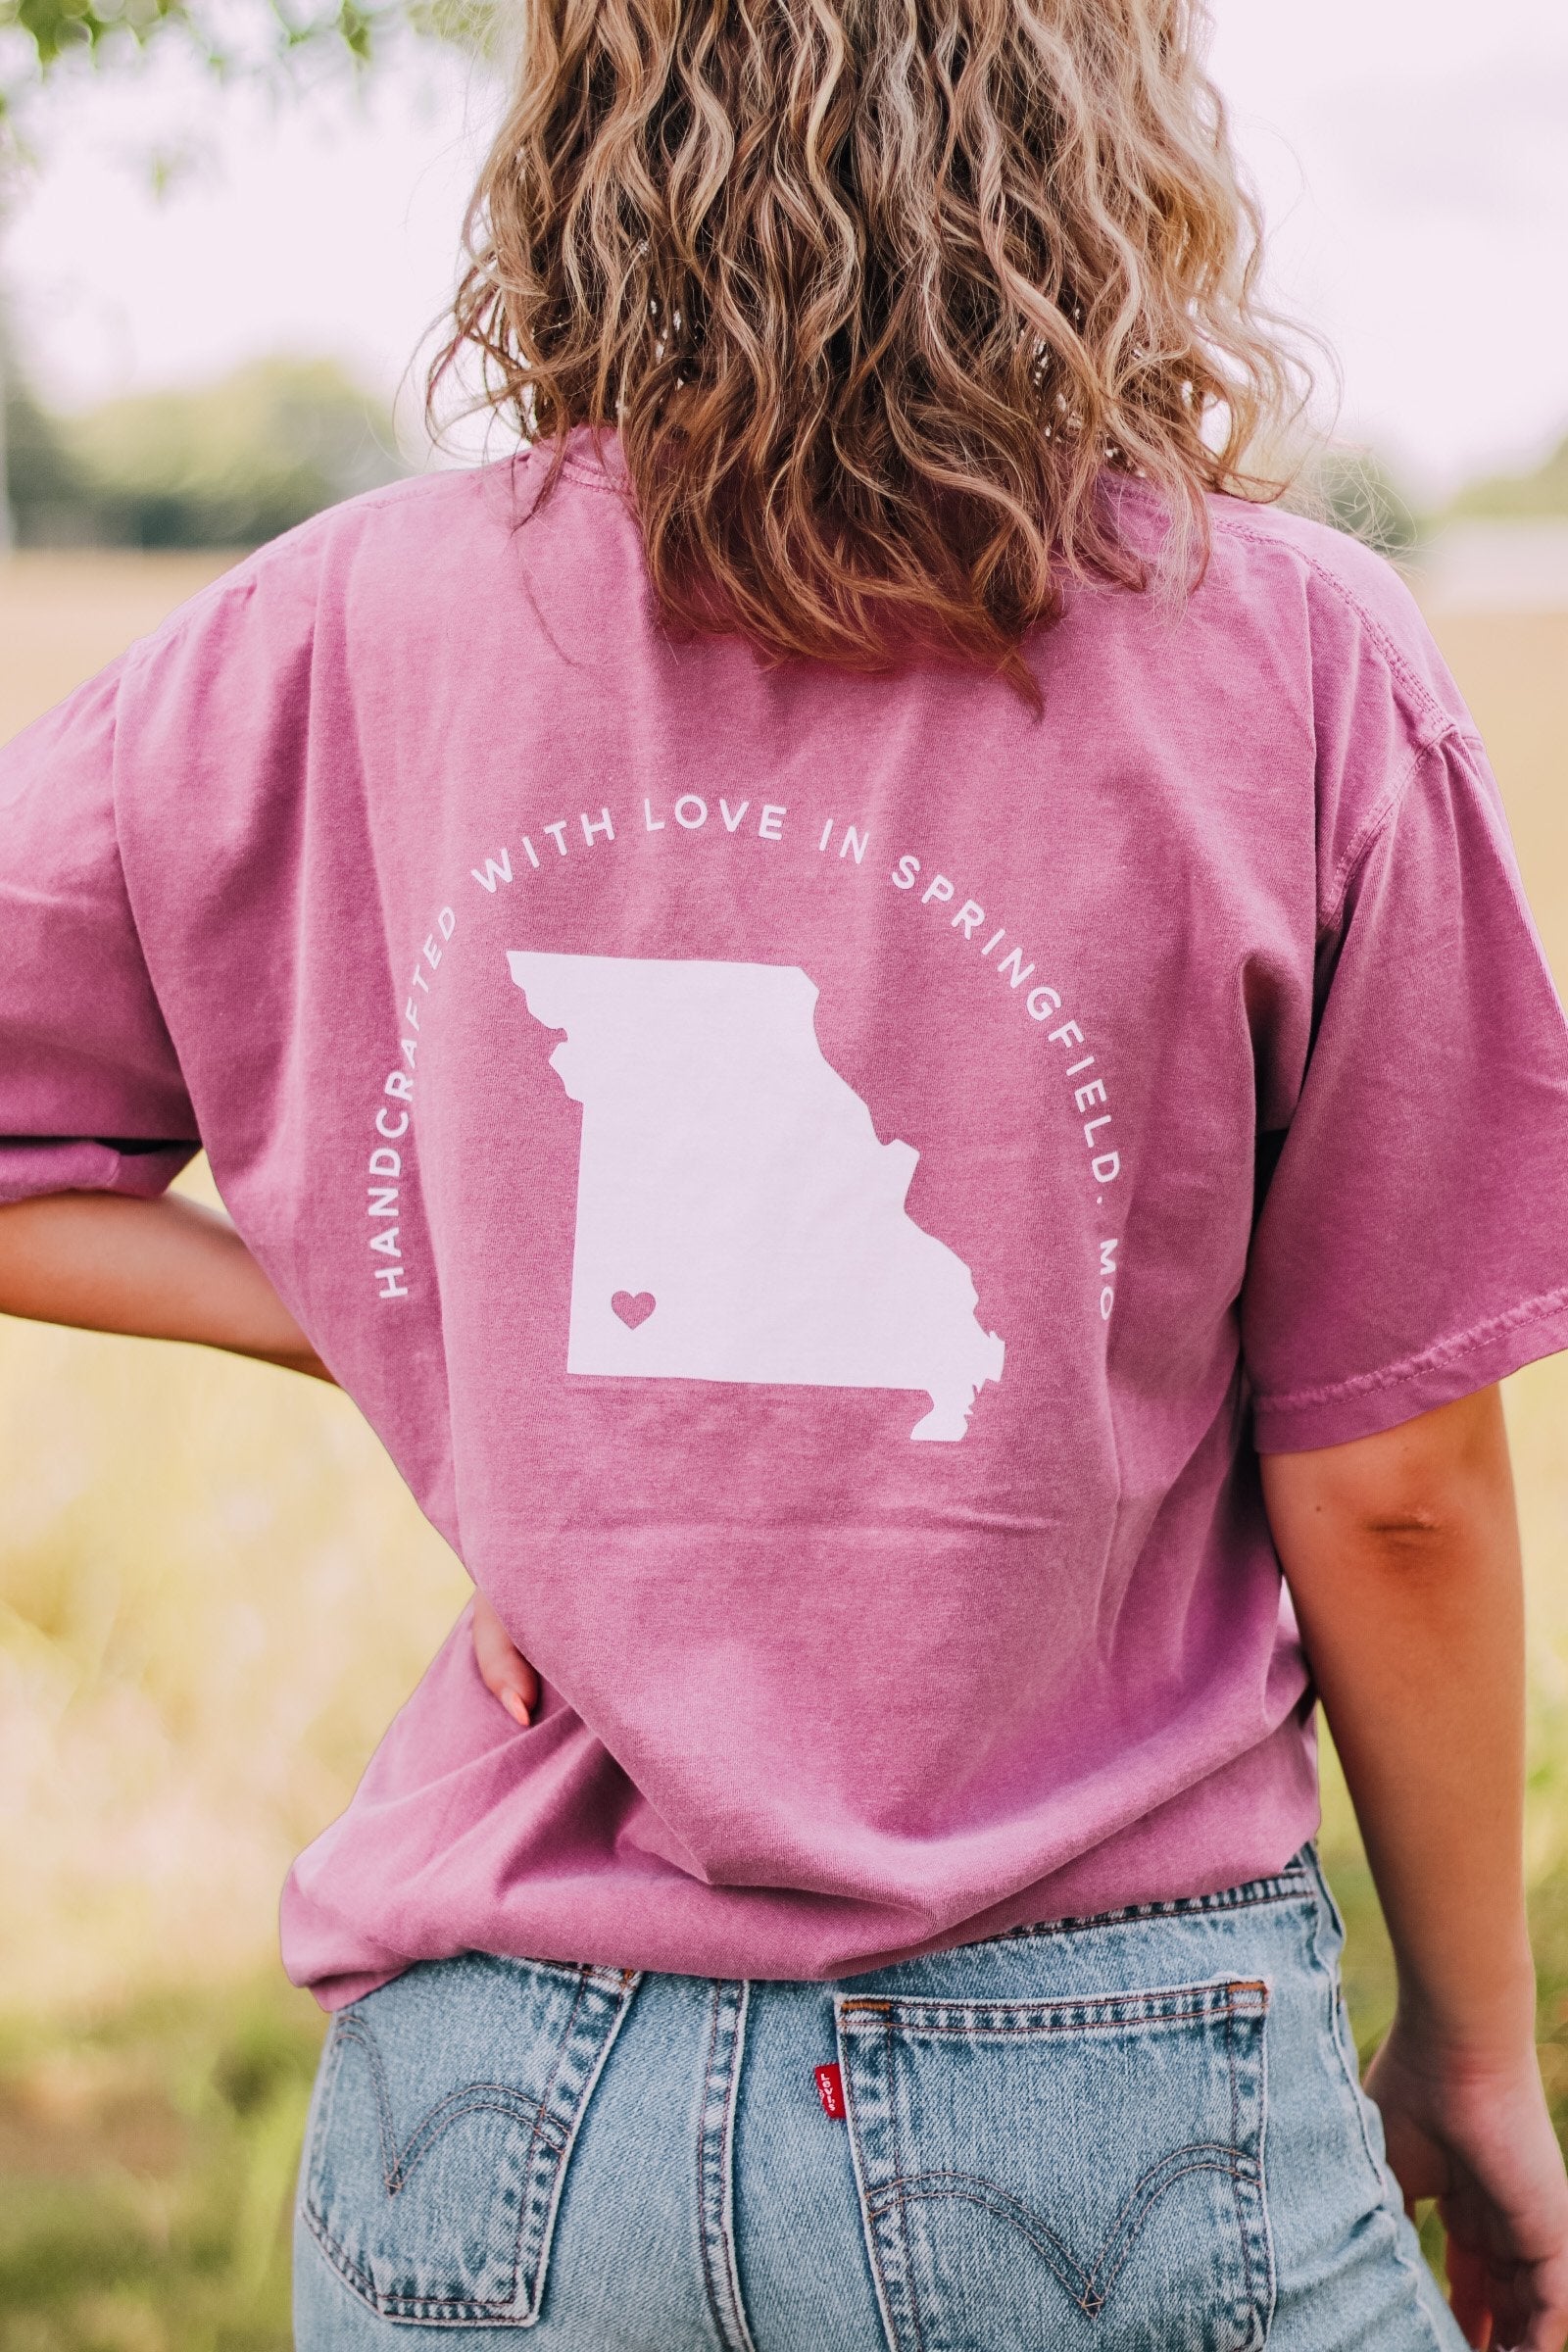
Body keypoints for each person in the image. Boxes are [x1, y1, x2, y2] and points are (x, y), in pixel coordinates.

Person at [4, 0, 1568, 2342]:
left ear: (585, 128)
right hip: (1114, 2091)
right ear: (1100, 121)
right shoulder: (1291, 665)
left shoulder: (328, 634)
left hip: (484, 2115)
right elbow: (1400, 1487)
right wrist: (1468, 2052)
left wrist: (396, 1324)